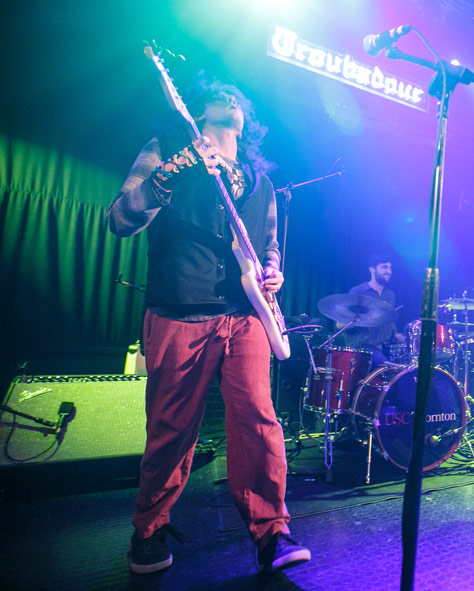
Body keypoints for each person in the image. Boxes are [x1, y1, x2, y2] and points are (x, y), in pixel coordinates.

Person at [107, 77, 309, 574]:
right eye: (222, 100)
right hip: (181, 310)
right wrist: (169, 174)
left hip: (245, 317)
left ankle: (271, 532)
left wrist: (274, 269)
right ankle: (148, 531)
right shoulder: (165, 153)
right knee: (172, 427)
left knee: (259, 419)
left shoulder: (261, 182)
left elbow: (268, 245)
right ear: (199, 113)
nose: (234, 103)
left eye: (239, 100)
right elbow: (119, 218)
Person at [341, 254, 403, 366]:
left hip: (384, 346)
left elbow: (389, 318)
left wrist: (395, 333)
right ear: (372, 270)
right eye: (384, 267)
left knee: (406, 368)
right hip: (362, 347)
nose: (388, 271)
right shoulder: (358, 292)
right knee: (387, 367)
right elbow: (340, 324)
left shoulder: (389, 295)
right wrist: (367, 317)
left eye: (390, 268)